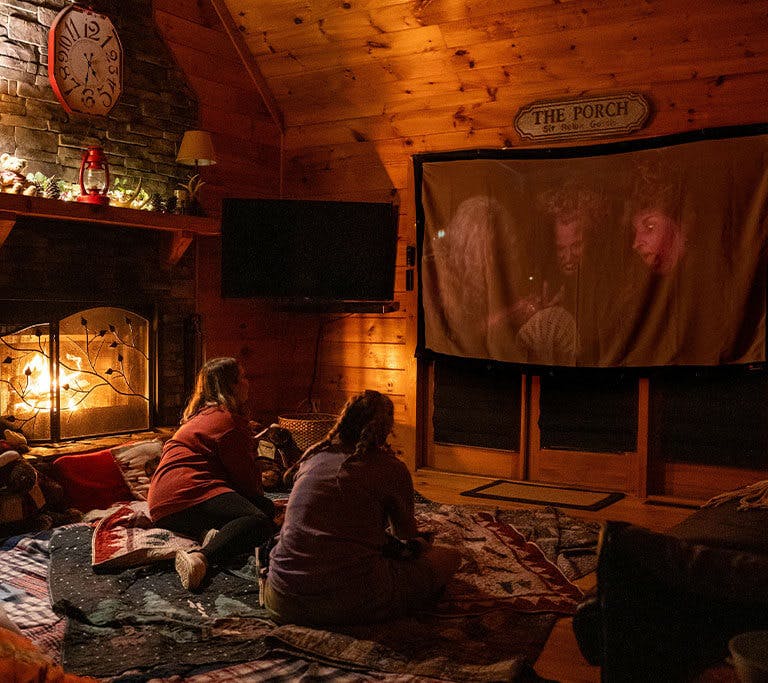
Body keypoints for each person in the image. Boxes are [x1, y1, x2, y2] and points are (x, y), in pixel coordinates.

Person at [264, 390, 462, 626]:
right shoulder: (391, 469)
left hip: (282, 600)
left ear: (343, 420)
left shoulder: (314, 456)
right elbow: (407, 537)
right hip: (349, 603)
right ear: (387, 428)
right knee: (450, 556)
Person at [148, 357, 276, 591]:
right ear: (232, 386)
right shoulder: (228, 422)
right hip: (188, 492)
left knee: (264, 510)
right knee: (259, 520)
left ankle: (215, 533)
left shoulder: (204, 415)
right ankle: (201, 558)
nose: (248, 383)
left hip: (163, 503)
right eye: (243, 378)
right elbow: (248, 485)